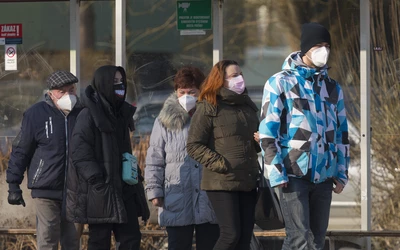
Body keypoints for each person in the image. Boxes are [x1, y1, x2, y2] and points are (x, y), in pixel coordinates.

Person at [259, 22, 350, 250]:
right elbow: (267, 132)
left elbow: (341, 134)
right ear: (305, 48)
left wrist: (341, 172)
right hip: (293, 174)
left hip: (324, 176)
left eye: (327, 45)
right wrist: (276, 173)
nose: (324, 50)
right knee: (299, 239)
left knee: (317, 241)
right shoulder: (280, 82)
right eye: (318, 45)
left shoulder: (332, 88)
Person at [65, 65, 149, 250]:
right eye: (114, 82)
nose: (119, 86)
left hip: (124, 187)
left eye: (121, 82)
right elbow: (79, 152)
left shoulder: (121, 113)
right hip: (101, 191)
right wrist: (97, 180)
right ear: (103, 84)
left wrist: (134, 174)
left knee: (131, 238)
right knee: (99, 241)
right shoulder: (88, 114)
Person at [186, 60, 261, 250]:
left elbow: (248, 141)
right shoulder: (208, 105)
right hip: (222, 181)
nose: (240, 79)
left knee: (244, 238)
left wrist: (259, 141)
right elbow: (194, 145)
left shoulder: (248, 105)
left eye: (240, 74)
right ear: (221, 80)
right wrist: (221, 165)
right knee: (231, 235)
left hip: (247, 179)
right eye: (234, 75)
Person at [145, 66, 219, 250]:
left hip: (208, 194)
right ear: (176, 92)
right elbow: (154, 158)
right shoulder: (164, 120)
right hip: (176, 195)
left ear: (201, 91)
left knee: (210, 244)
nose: (187, 96)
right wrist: (155, 191)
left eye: (192, 92)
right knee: (178, 244)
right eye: (182, 91)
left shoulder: (213, 115)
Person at [6, 71, 82, 250]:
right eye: (61, 92)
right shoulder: (35, 115)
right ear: (50, 93)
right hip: (45, 190)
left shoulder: (83, 114)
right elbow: (21, 150)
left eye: (71, 90)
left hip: (76, 191)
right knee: (47, 240)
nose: (67, 96)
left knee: (72, 242)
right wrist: (13, 185)